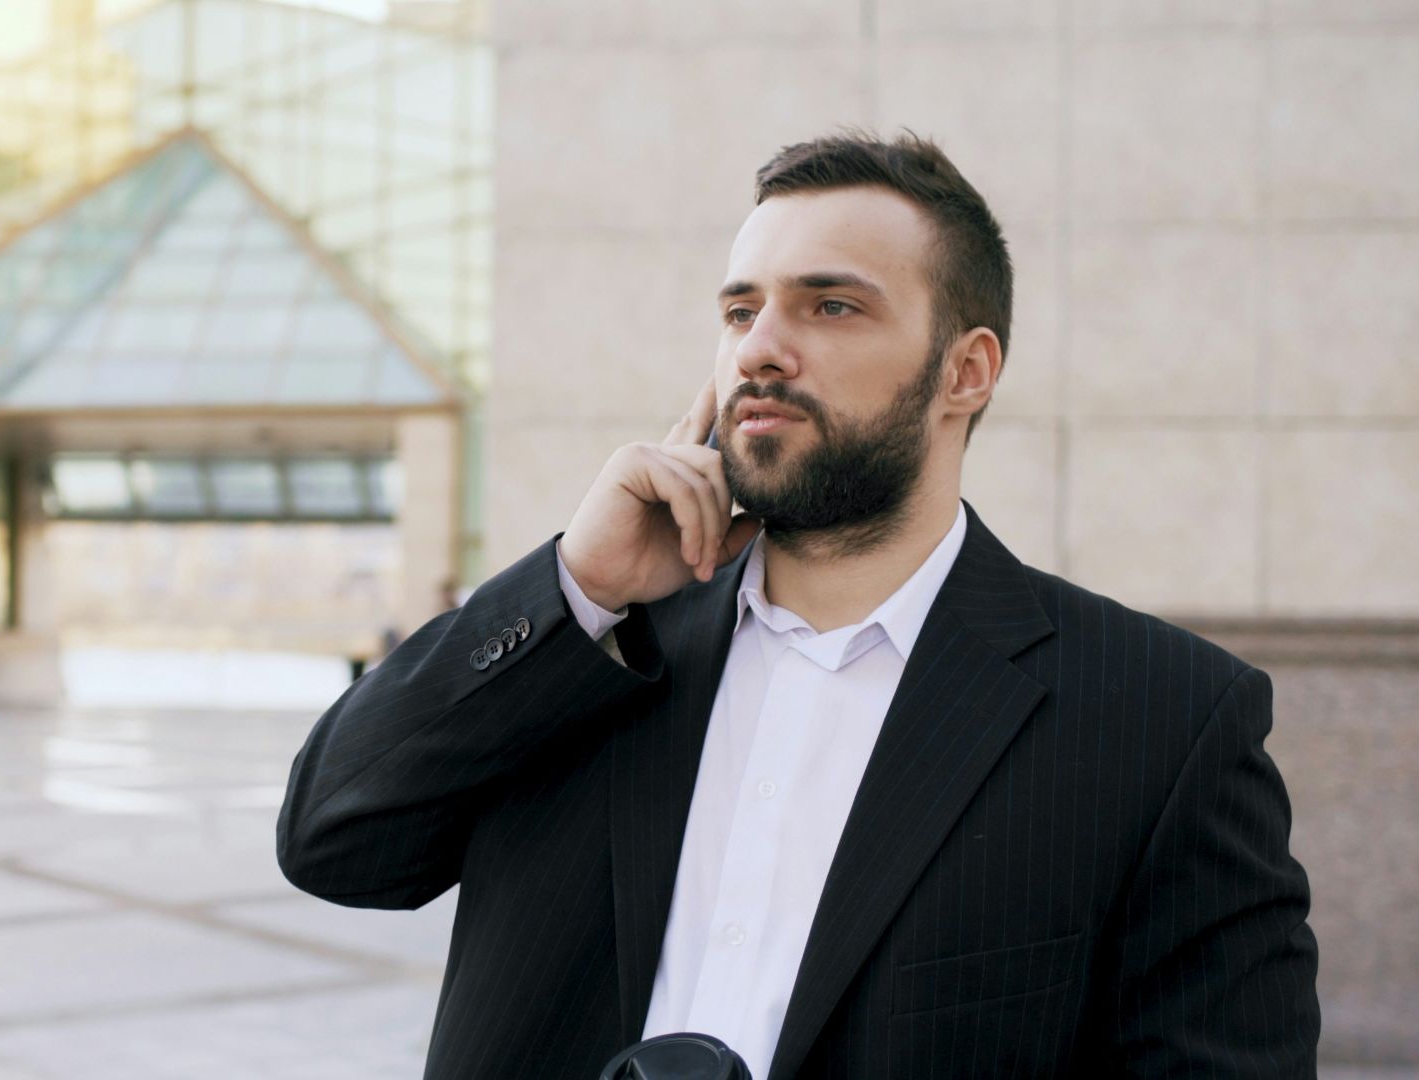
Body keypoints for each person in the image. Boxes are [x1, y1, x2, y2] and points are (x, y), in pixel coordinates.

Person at [277, 131, 1320, 1079]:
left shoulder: (1160, 718)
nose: (759, 350)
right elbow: (336, 843)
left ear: (966, 370)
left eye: (831, 305)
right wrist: (578, 587)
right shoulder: (591, 649)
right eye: (741, 310)